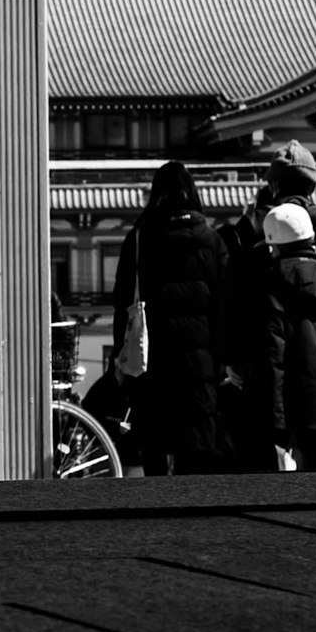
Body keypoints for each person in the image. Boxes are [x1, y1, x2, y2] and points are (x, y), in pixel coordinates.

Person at [223, 148, 316, 472]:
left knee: (269, 469)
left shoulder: (262, 224)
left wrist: (232, 357)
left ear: (273, 184)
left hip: (266, 371)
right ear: (314, 184)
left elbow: (233, 297)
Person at [108, 159, 232, 473]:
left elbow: (123, 301)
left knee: (154, 443)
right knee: (197, 445)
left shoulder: (139, 238)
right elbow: (226, 302)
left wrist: (119, 353)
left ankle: (156, 513)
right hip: (201, 362)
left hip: (153, 358)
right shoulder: (212, 239)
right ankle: (192, 513)